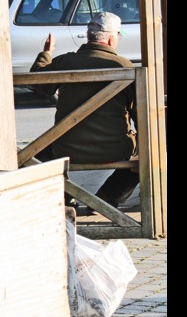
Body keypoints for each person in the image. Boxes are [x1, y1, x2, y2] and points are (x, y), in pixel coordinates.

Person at [29, 12, 139, 211]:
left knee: (30, 157)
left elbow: (38, 83)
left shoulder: (65, 62)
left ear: (89, 36)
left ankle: (65, 196)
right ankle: (106, 199)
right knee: (146, 155)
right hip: (116, 149)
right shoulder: (124, 66)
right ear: (113, 37)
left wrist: (46, 53)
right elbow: (138, 113)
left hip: (66, 148)